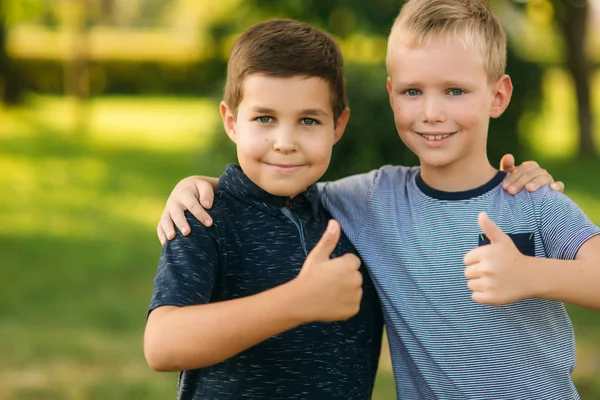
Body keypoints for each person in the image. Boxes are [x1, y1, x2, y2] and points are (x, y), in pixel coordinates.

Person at [156, 1, 600, 399]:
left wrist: (532, 273)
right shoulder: (372, 199)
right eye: (413, 91)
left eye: (455, 91)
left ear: (498, 95)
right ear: (392, 95)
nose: (431, 112)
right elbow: (275, 185)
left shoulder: (532, 200)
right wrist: (199, 184)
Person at [144, 19, 384, 400]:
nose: (285, 142)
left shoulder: (353, 215)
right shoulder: (205, 216)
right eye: (265, 118)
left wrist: (516, 179)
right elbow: (162, 344)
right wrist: (298, 301)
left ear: (338, 125)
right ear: (231, 121)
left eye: (308, 120)